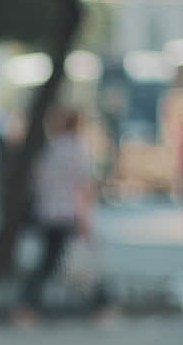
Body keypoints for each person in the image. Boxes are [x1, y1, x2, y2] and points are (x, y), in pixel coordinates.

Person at [11, 106, 111, 326]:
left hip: (47, 212)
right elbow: (85, 188)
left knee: (48, 261)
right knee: (80, 261)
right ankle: (103, 305)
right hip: (69, 214)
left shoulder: (51, 150)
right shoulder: (78, 151)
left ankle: (27, 307)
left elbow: (37, 181)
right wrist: (85, 219)